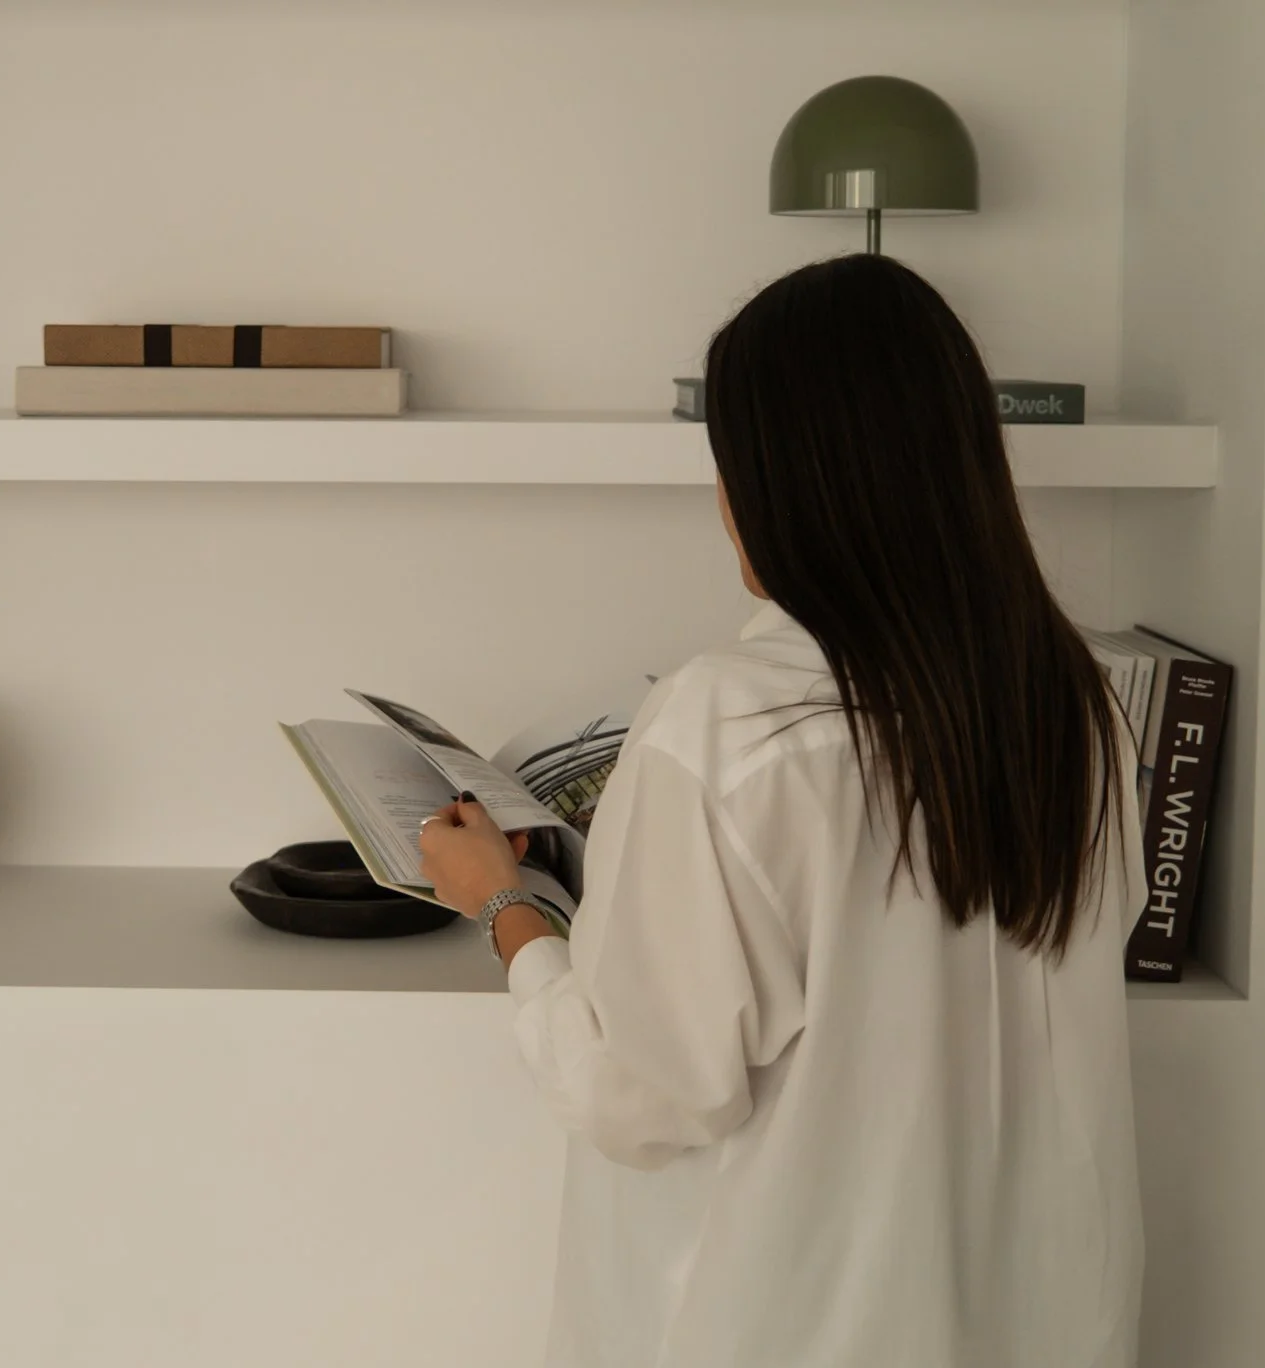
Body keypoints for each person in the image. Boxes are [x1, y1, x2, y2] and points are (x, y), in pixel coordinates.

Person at [419, 253, 1144, 1368]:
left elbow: (639, 1096)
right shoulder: (1076, 704)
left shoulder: (724, 725)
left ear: (784, 487)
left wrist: (504, 908)